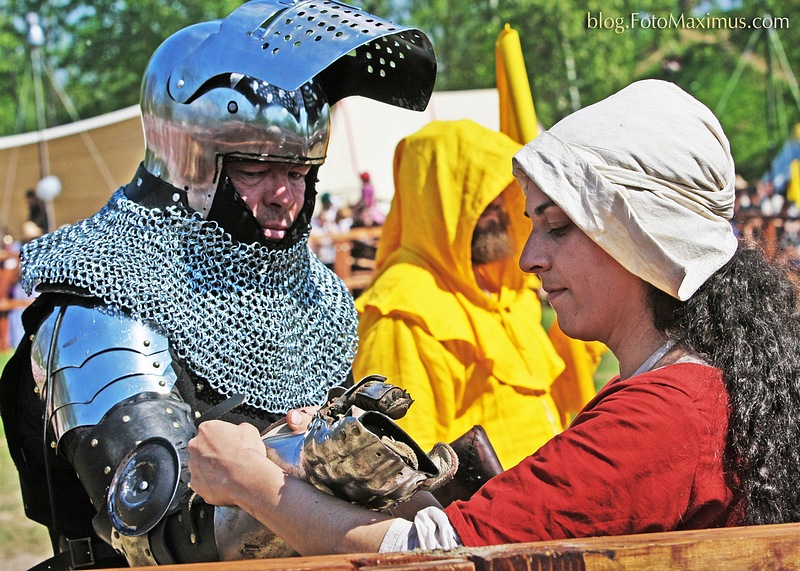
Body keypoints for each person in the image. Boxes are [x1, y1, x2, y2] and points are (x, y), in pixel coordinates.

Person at [187, 79, 800, 554]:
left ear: (637, 236)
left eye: (557, 226)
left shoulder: (662, 415)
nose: (529, 257)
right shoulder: (692, 384)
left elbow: (434, 557)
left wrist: (251, 481)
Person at [0, 0, 436, 567]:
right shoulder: (102, 305)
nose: (286, 195)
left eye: (299, 172)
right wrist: (314, 464)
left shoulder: (317, 299)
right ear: (190, 161)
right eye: (255, 170)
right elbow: (158, 531)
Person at [352, 119, 566, 469]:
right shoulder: (404, 317)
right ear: (433, 196)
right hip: (487, 518)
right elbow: (407, 468)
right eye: (477, 190)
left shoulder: (501, 289)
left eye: (501, 190)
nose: (497, 205)